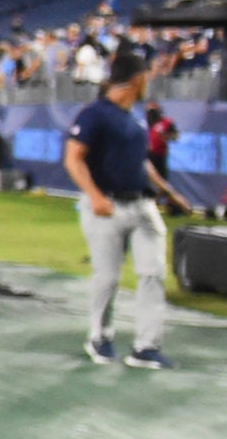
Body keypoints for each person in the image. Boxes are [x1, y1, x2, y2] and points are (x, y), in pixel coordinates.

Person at [65, 48, 185, 369]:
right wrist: (95, 195)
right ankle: (99, 336)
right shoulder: (94, 114)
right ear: (137, 78)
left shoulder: (133, 116)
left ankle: (146, 347)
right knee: (107, 276)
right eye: (146, 77)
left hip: (142, 204)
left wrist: (168, 192)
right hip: (106, 205)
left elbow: (141, 163)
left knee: (153, 273)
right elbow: (73, 157)